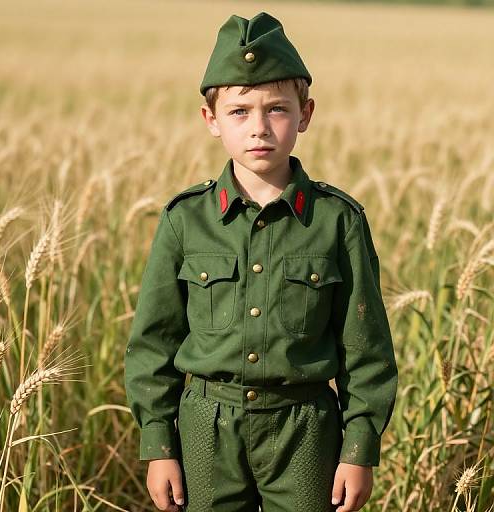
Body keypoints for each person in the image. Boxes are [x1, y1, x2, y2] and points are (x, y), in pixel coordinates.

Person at [124, 11, 397, 512]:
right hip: (208, 430)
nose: (259, 128)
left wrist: (359, 450)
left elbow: (367, 350)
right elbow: (153, 343)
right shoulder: (185, 221)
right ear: (211, 120)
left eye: (276, 109)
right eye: (239, 111)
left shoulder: (338, 222)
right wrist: (159, 445)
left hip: (306, 430)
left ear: (305, 114)